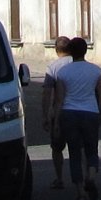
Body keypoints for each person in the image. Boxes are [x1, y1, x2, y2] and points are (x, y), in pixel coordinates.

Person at [53, 36, 101, 200]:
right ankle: (90, 176)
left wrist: (56, 121)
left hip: (69, 113)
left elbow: (60, 99)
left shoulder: (63, 72)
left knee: (74, 151)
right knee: (91, 148)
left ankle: (80, 192)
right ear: (85, 51)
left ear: (70, 52)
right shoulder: (96, 70)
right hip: (90, 112)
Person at [39, 38, 69, 188]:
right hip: (78, 112)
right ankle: (83, 177)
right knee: (80, 147)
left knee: (57, 148)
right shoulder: (78, 64)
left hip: (59, 113)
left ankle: (59, 178)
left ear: (56, 50)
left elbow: (46, 92)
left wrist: (45, 115)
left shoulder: (53, 67)